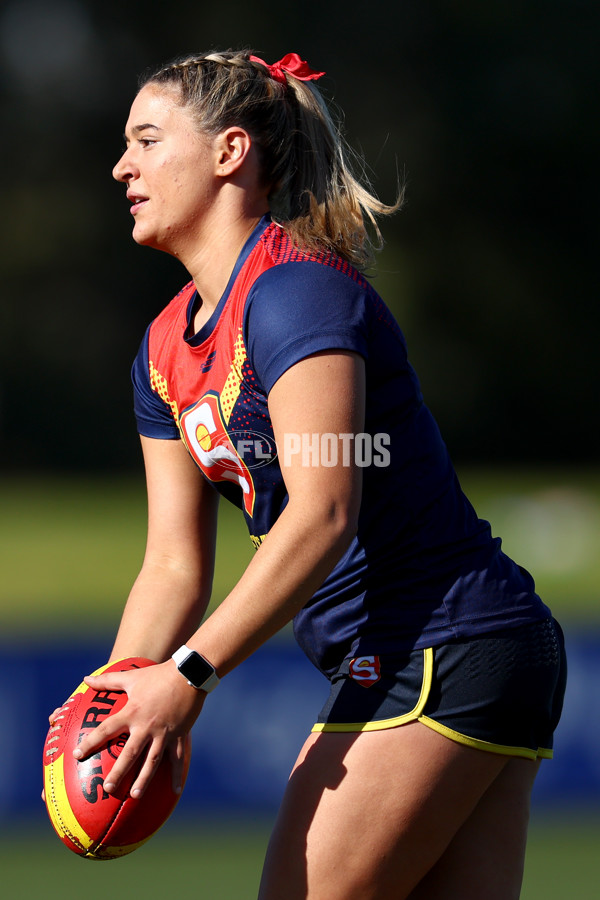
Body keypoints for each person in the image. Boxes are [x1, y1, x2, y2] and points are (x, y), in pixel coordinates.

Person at [58, 50, 566, 899]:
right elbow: (173, 566)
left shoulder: (295, 292)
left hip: (441, 641)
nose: (122, 166)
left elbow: (324, 511)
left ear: (229, 154)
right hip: (464, 649)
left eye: (146, 140)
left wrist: (185, 680)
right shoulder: (159, 350)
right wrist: (116, 705)